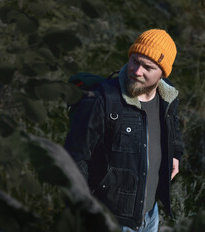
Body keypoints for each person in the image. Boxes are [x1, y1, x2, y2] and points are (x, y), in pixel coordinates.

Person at [64, 29, 184, 232]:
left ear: (162, 73)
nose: (137, 71)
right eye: (135, 61)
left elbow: (173, 129)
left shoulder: (168, 98)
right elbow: (74, 158)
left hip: (149, 215)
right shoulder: (101, 99)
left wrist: (176, 155)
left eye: (147, 67)